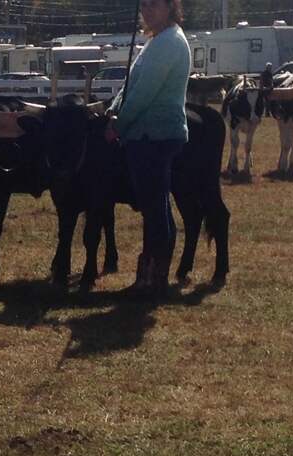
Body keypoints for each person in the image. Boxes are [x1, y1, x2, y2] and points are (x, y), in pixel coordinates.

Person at [104, 0, 190, 297]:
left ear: (170, 8)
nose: (148, 11)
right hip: (147, 135)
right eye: (145, 6)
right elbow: (130, 86)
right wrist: (111, 109)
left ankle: (153, 279)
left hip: (155, 135)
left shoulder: (168, 43)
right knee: (157, 207)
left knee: (155, 210)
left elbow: (144, 93)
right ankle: (153, 276)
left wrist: (119, 124)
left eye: (155, 5)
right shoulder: (156, 41)